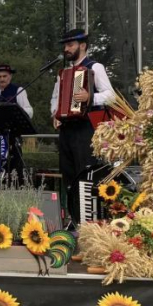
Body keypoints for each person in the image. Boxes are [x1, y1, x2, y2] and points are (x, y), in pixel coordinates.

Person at [50, 29, 115, 225]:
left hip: (85, 129)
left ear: (83, 45)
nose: (66, 48)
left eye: (70, 44)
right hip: (67, 130)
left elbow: (111, 96)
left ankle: (91, 221)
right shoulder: (64, 73)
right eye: (65, 45)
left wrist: (91, 97)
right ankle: (74, 220)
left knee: (85, 175)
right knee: (69, 175)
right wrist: (55, 114)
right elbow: (55, 98)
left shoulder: (95, 67)